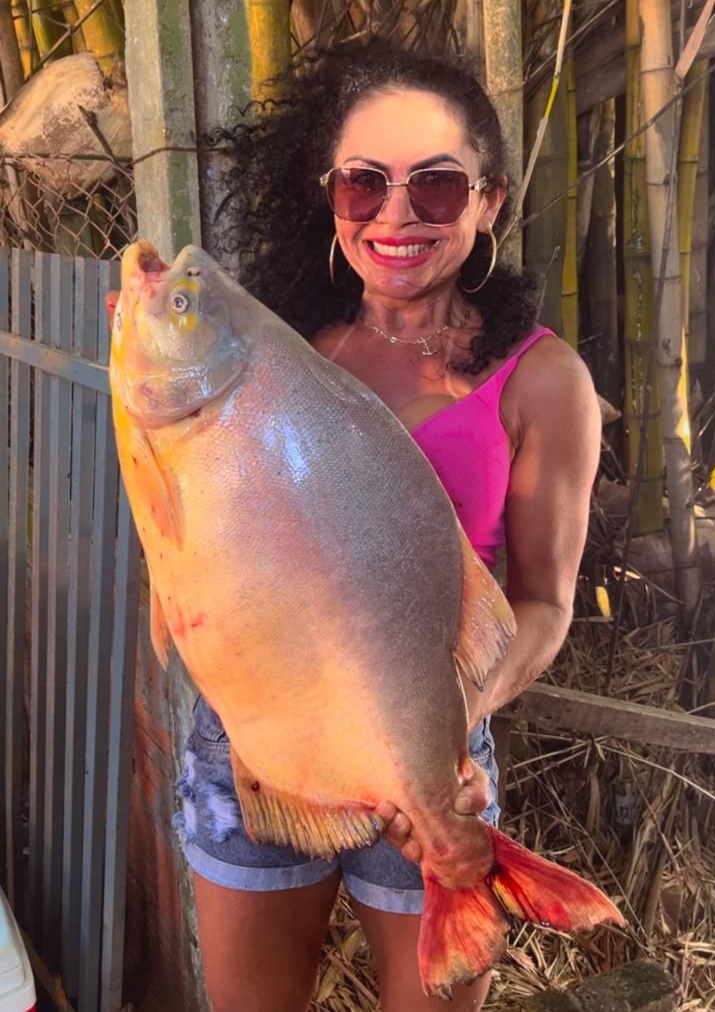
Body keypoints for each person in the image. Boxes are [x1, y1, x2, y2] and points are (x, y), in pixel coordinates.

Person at [171, 37, 601, 1012]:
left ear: (489, 201)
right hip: (255, 740)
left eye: (436, 187)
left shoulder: (543, 381)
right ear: (330, 197)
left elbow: (543, 602)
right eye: (363, 183)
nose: (395, 215)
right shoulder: (264, 353)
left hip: (428, 741)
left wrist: (449, 733)